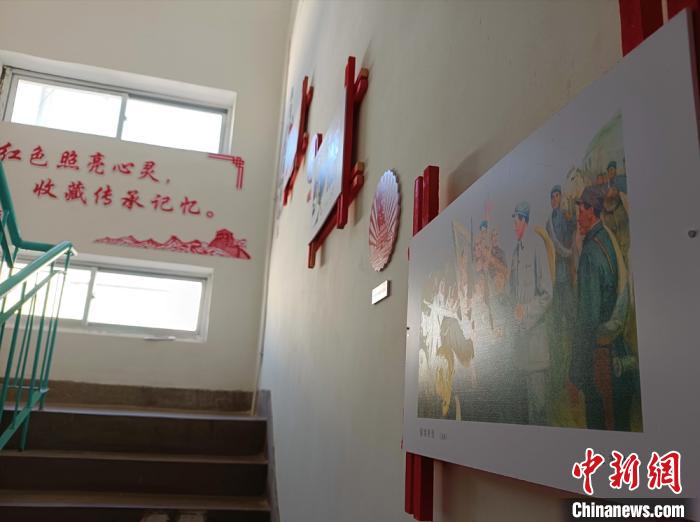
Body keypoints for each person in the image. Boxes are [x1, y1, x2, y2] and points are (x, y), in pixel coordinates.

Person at [570, 185, 621, 429]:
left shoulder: (590, 252)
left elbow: (587, 320)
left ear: (591, 211)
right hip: (611, 352)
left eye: (581, 209)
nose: (578, 215)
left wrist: (575, 373)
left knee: (598, 424)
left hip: (597, 358)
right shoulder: (606, 241)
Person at [508, 201, 553, 424]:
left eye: (516, 220)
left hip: (535, 346)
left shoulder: (536, 247)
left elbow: (547, 294)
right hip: (521, 348)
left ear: (524, 220)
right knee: (525, 414)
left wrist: (524, 312)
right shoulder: (515, 253)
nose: (514, 224)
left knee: (539, 410)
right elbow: (513, 297)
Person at [545, 185, 577, 421]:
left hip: (566, 279)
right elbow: (550, 249)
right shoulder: (548, 223)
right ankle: (560, 380)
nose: (555, 199)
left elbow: (570, 242)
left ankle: (572, 378)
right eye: (553, 197)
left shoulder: (565, 218)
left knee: (571, 328)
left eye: (558, 196)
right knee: (557, 332)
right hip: (556, 281)